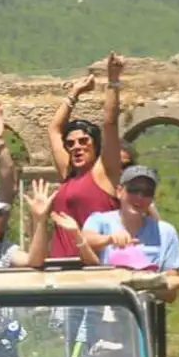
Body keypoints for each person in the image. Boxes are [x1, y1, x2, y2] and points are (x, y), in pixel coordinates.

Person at [44, 54, 127, 258]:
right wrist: (75, 92)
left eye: (83, 141)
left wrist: (113, 80)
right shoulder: (69, 173)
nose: (76, 147)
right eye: (70, 144)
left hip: (93, 266)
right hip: (59, 264)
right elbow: (54, 130)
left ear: (95, 144)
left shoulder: (105, 171)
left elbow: (110, 123)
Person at [80, 164, 179, 302]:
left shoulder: (166, 232)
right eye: (133, 189)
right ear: (119, 191)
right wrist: (109, 239)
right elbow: (84, 240)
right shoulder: (100, 220)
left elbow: (171, 292)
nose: (139, 197)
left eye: (147, 192)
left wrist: (145, 288)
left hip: (145, 316)